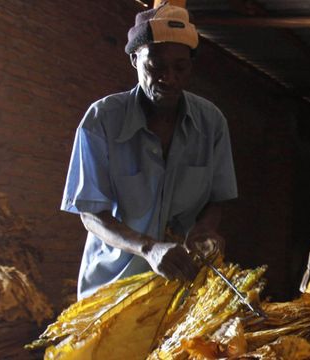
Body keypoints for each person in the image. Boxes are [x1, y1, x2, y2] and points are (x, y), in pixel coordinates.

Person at [60, 3, 238, 299]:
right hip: (112, 290)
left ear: (191, 66)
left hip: (180, 288)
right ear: (134, 59)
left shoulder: (212, 123)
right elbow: (91, 213)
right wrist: (149, 248)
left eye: (180, 67)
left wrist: (205, 230)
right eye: (155, 65)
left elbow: (217, 199)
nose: (169, 78)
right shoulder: (102, 120)